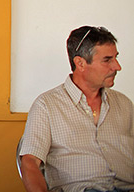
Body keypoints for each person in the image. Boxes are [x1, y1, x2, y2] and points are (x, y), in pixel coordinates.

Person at [19, 26, 133, 192]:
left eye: (116, 58)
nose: (117, 67)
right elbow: (30, 162)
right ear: (80, 63)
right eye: (107, 60)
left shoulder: (124, 104)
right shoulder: (47, 105)